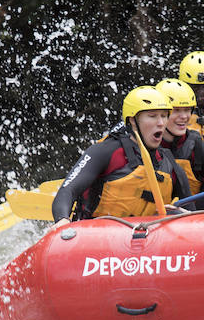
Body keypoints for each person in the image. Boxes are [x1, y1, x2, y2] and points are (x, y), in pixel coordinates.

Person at [52, 86, 193, 228]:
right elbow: (67, 191)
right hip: (96, 236)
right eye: (152, 116)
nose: (161, 123)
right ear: (133, 120)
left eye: (164, 116)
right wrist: (62, 220)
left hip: (146, 240)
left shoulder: (169, 165)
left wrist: (180, 215)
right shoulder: (105, 152)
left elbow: (193, 216)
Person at [155, 78, 204, 210]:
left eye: (187, 110)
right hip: (148, 216)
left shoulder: (196, 146)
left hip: (190, 217)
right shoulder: (140, 144)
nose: (184, 116)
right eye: (177, 110)